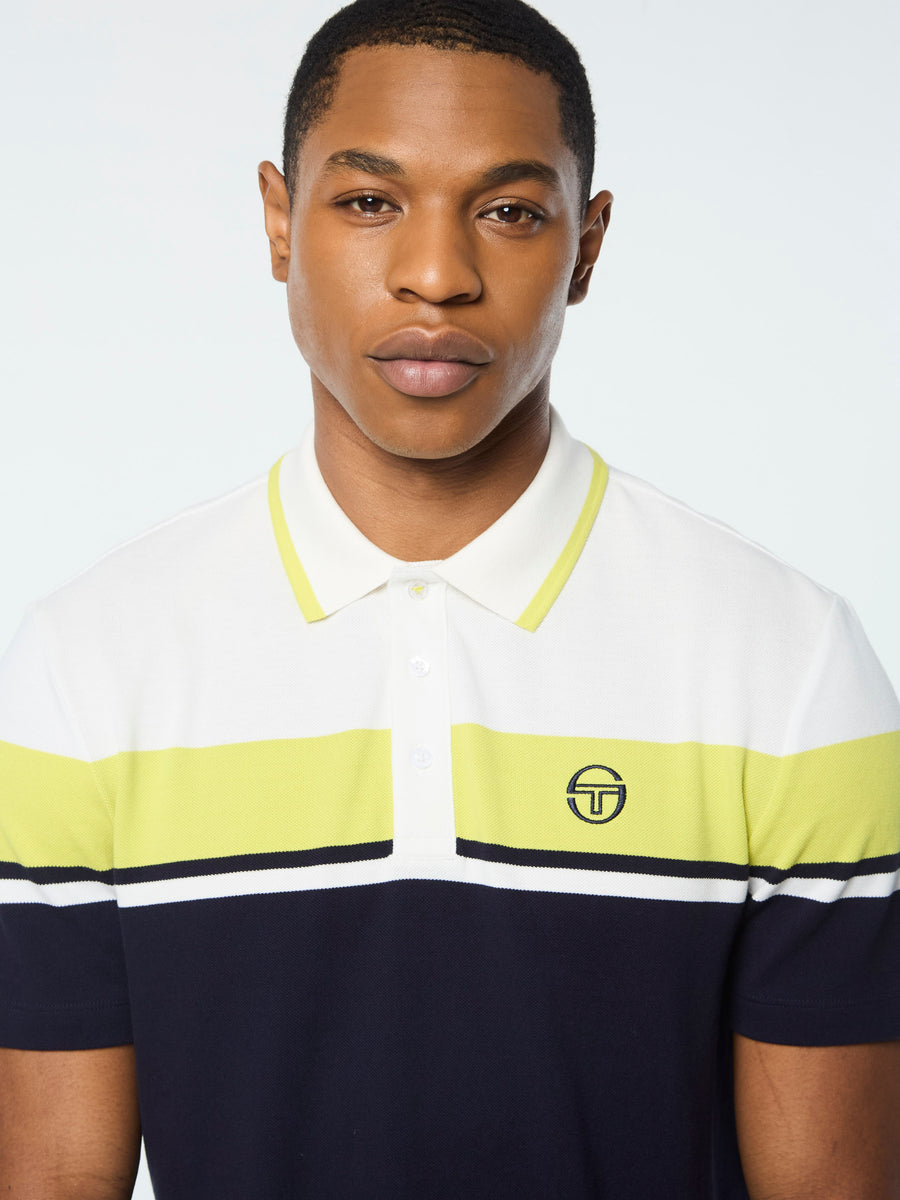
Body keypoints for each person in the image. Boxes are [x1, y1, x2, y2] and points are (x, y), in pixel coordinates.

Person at [1, 0, 898, 1195]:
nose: (436, 275)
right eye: (370, 201)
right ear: (279, 220)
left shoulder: (789, 664)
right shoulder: (86, 666)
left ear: (587, 246)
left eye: (510, 212)